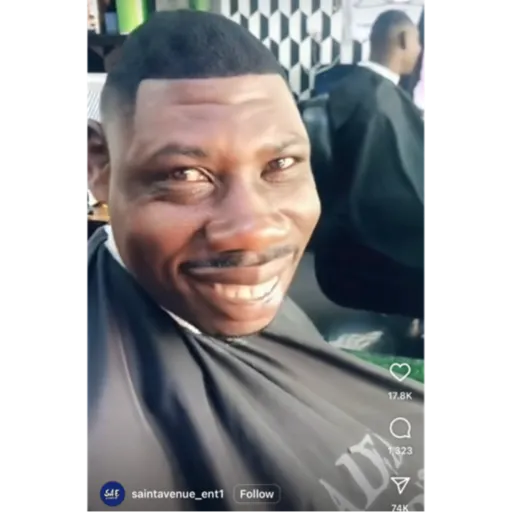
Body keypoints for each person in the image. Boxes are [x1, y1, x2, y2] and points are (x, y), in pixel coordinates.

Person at [82, 11, 425, 512]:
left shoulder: (225, 288)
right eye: (184, 174)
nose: (257, 230)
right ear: (99, 165)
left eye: (280, 165)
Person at [314, 10, 427, 319]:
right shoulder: (378, 102)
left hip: (340, 243)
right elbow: (391, 190)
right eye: (418, 42)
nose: (419, 51)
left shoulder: (348, 88)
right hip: (369, 253)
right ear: (403, 40)